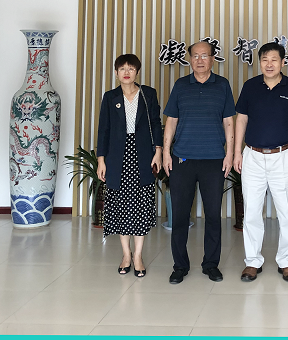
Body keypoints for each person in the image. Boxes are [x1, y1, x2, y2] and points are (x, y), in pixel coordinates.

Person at [162, 40, 236, 284]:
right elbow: (171, 121)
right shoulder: (181, 85)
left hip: (214, 159)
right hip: (182, 159)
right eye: (195, 56)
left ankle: (210, 264)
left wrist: (230, 153)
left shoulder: (222, 85)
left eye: (205, 55)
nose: (200, 60)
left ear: (213, 59)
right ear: (189, 59)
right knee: (180, 215)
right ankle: (180, 266)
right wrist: (166, 153)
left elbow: (229, 121)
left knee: (213, 215)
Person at [233, 42, 288, 283]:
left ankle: (286, 261)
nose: (269, 64)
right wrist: (236, 152)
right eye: (264, 59)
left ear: (283, 62)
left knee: (287, 211)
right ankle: (252, 261)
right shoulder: (250, 86)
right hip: (252, 156)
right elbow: (241, 120)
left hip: (284, 155)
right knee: (252, 211)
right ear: (259, 62)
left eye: (274, 59)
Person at [96, 53, 162, 278]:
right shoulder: (110, 97)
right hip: (117, 156)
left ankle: (138, 255)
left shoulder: (148, 94)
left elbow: (156, 123)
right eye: (122, 68)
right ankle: (126, 254)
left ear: (137, 72)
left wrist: (158, 151)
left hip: (142, 155)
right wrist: (101, 160)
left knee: (141, 205)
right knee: (121, 206)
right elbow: (103, 129)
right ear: (116, 73)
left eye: (131, 68)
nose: (126, 72)